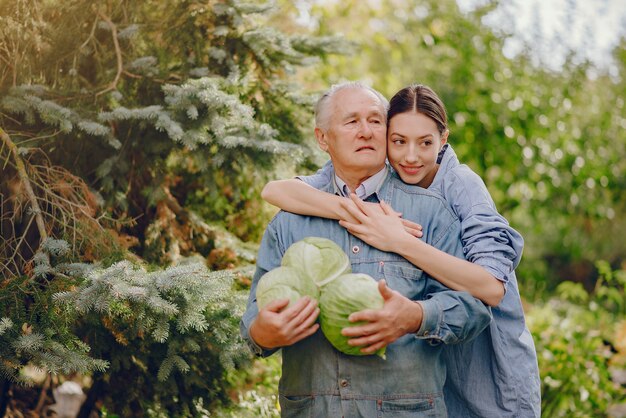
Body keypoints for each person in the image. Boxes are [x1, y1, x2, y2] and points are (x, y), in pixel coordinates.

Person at [262, 84, 541, 417]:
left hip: (488, 365)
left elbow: (492, 289)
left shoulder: (461, 187)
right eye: (399, 141)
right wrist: (354, 210)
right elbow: (277, 190)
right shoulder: (383, 180)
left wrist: (401, 242)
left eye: (425, 142)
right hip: (438, 368)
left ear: (444, 139)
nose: (411, 156)